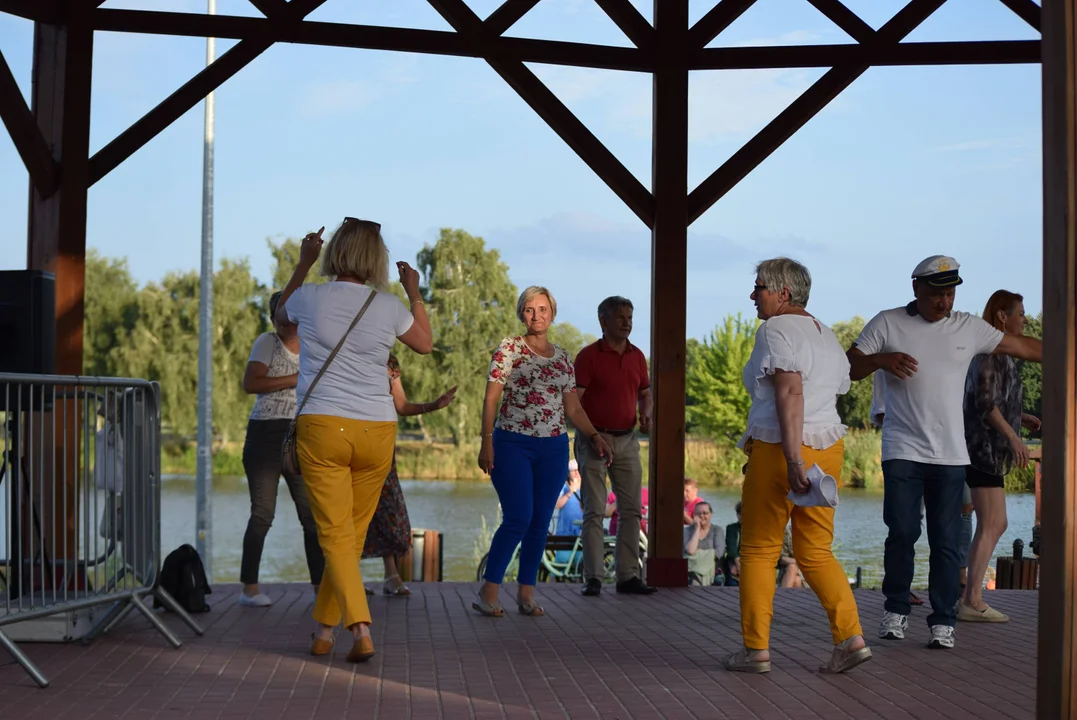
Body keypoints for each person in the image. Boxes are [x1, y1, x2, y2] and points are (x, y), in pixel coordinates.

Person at [848, 255, 1042, 650]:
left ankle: (943, 620)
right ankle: (896, 609)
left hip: (952, 456)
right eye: (937, 294)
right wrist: (881, 360)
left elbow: (1020, 346)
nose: (945, 302)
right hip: (902, 448)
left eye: (951, 294)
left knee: (945, 540)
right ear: (916, 288)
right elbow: (850, 366)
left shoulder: (968, 327)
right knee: (902, 531)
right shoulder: (888, 322)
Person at [276, 218, 433, 663]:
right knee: (350, 534)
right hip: (377, 430)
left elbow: (279, 317)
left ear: (335, 253)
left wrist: (303, 263)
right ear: (376, 259)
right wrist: (414, 291)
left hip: (324, 427)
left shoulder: (309, 297)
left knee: (335, 535)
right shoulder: (388, 306)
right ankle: (324, 631)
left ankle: (360, 629)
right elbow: (424, 343)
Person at [724, 257, 870, 675]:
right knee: (816, 550)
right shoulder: (826, 336)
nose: (753, 295)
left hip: (779, 447)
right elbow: (834, 392)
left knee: (758, 548)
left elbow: (790, 391)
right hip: (830, 448)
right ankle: (850, 638)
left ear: (782, 293)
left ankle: (756, 651)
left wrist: (792, 459)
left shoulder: (775, 329)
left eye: (759, 288)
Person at [475, 286, 613, 617]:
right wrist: (486, 440)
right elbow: (491, 397)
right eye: (529, 309)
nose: (536, 316)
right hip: (512, 443)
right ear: (521, 314)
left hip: (553, 446)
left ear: (552, 313)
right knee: (518, 517)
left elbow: (573, 407)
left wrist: (594, 435)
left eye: (542, 309)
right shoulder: (509, 348)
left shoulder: (563, 357)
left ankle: (526, 593)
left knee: (539, 522)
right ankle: (488, 590)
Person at [237, 291, 326, 608]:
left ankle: (320, 590)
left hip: (301, 436)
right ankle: (249, 588)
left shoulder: (314, 346)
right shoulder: (267, 342)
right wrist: (295, 377)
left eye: (291, 315)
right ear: (275, 317)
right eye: (280, 315)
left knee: (312, 517)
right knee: (263, 514)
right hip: (266, 434)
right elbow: (251, 384)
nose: (286, 321)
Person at [959, 290, 1041, 623]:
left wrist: (1020, 418)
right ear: (1002, 317)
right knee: (993, 521)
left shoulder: (1000, 354)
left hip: (988, 449)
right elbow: (984, 403)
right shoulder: (989, 353)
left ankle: (972, 597)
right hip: (981, 450)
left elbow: (995, 400)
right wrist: (1014, 438)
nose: (1025, 318)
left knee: (995, 521)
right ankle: (971, 600)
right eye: (1020, 313)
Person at [574, 296, 656, 597]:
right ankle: (593, 578)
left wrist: (646, 413)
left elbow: (645, 394)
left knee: (632, 510)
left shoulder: (637, 357)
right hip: (593, 440)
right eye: (620, 317)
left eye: (630, 317)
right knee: (595, 510)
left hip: (627, 439)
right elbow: (574, 403)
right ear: (603, 321)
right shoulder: (587, 357)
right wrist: (592, 436)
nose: (627, 322)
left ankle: (628, 577)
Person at [362, 354, 456, 597]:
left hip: (382, 445)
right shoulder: (346, 348)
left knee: (390, 509)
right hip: (350, 439)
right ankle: (348, 576)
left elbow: (401, 405)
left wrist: (434, 405)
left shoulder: (389, 361)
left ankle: (391, 575)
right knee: (351, 510)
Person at [684, 502, 724, 586]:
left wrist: (696, 555)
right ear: (694, 515)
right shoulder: (687, 531)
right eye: (698, 513)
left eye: (705, 513)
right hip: (690, 572)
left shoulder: (717, 530)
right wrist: (697, 529)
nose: (701, 516)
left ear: (711, 514)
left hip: (713, 570)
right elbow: (690, 551)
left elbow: (718, 553)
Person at [723, 502, 742, 586]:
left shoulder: (757, 530)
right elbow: (731, 548)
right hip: (734, 561)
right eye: (739, 513)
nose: (741, 516)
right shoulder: (731, 528)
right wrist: (737, 563)